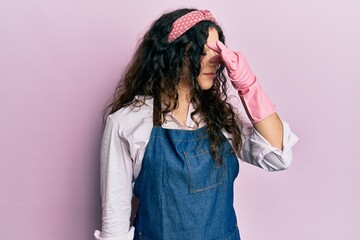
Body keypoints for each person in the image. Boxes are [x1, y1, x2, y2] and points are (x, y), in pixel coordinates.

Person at [94, 8, 298, 240]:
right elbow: (115, 223)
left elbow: (280, 158)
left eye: (218, 53)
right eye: (203, 52)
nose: (215, 61)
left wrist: (248, 85)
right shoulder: (127, 123)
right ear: (172, 54)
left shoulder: (220, 118)